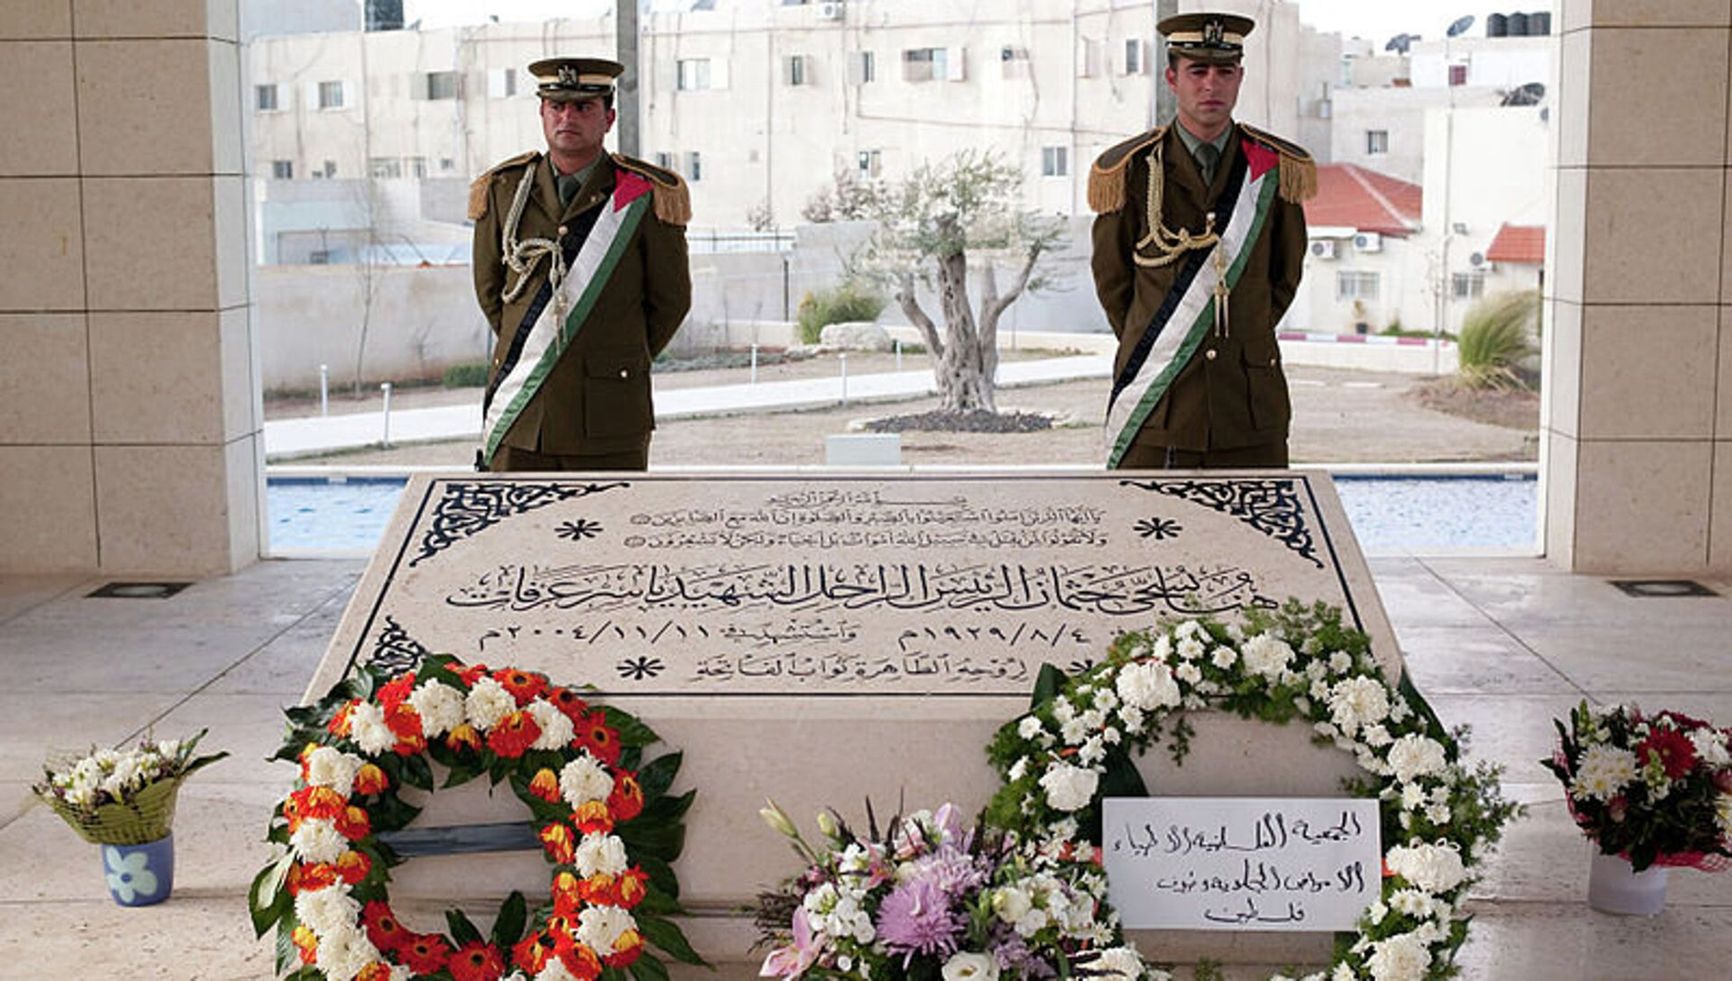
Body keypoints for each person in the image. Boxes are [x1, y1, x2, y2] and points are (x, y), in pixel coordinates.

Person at [1089, 12, 1314, 470]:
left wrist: (1238, 332)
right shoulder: (1130, 170)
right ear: (1172, 78)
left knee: (1255, 541)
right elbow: (1114, 284)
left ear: (1239, 79)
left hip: (1249, 409)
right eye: (1198, 71)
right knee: (1148, 537)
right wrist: (1160, 338)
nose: (1212, 84)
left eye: (1224, 72)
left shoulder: (1270, 168)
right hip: (1160, 404)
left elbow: (1283, 276)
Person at [470, 57, 691, 472]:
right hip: (523, 413)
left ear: (607, 118)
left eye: (583, 107)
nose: (567, 116)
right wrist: (537, 351)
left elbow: (670, 301)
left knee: (610, 534)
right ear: (542, 113)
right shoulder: (504, 189)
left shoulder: (643, 193)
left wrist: (611, 355)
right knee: (516, 536)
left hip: (609, 417)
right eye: (557, 106)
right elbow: (489, 289)